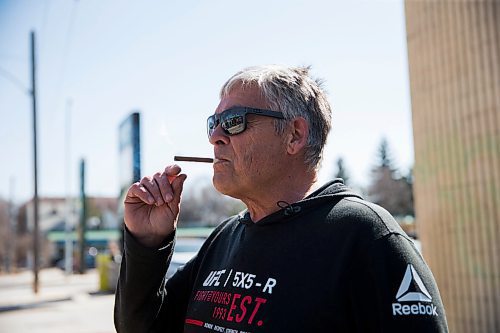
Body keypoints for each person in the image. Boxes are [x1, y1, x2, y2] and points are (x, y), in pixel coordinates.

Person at [114, 65, 449, 332]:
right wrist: (147, 243)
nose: (215, 137)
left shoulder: (365, 237)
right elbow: (144, 328)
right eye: (213, 123)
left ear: (294, 135)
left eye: (233, 122)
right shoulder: (224, 238)